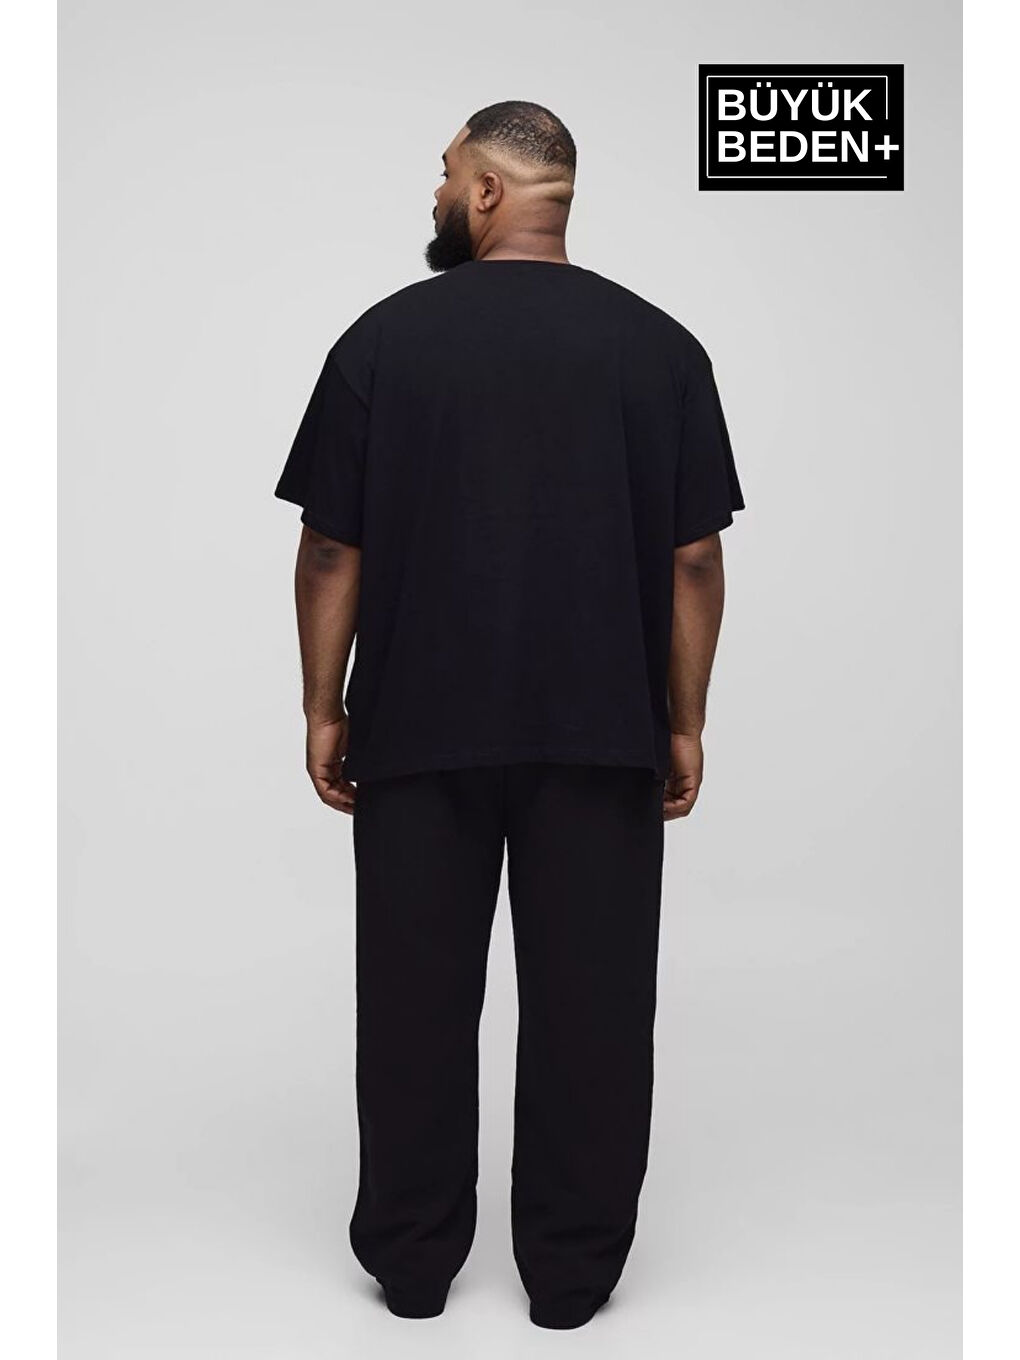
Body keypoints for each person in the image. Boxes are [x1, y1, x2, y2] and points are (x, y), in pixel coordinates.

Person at [274, 100, 744, 1330]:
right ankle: (572, 1278)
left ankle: (414, 1262)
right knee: (596, 1006)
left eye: (445, 175)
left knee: (412, 1001)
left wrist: (323, 704)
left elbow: (331, 548)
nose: (435, 194)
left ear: (487, 192)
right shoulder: (662, 351)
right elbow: (696, 559)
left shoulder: (383, 342)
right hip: (601, 728)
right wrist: (683, 721)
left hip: (418, 729)